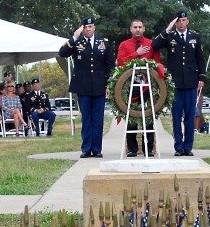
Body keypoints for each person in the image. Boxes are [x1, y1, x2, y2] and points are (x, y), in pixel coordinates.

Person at [152, 10, 206, 156]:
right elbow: (155, 45)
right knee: (176, 117)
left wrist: (201, 78)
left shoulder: (195, 37)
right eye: (178, 21)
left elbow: (200, 59)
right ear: (175, 23)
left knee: (190, 116)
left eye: (183, 20)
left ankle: (188, 147)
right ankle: (178, 147)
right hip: (175, 84)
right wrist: (167, 29)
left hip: (190, 82)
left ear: (187, 21)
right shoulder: (170, 37)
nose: (181, 23)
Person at [59, 17, 115, 157]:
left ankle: (96, 149)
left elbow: (110, 65)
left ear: (94, 27)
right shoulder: (77, 43)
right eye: (85, 27)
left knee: (98, 119)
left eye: (90, 26)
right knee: (86, 119)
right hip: (83, 87)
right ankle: (86, 149)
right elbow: (62, 53)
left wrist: (109, 83)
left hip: (99, 87)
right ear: (82, 29)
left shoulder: (103, 43)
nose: (88, 29)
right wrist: (73, 37)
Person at [117, 19, 163, 157]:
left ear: (144, 29)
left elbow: (157, 63)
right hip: (129, 86)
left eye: (140, 27)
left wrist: (147, 62)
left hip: (147, 85)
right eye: (135, 27)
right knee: (131, 116)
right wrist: (137, 54)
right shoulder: (124, 45)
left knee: (148, 117)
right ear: (130, 29)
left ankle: (148, 149)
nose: (137, 29)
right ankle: (132, 149)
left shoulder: (151, 44)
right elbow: (121, 62)